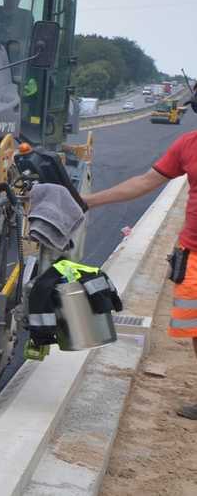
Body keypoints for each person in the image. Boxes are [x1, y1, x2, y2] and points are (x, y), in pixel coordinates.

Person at [83, 128, 197, 420]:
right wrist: (89, 200)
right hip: (193, 255)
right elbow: (145, 182)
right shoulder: (188, 144)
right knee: (195, 330)